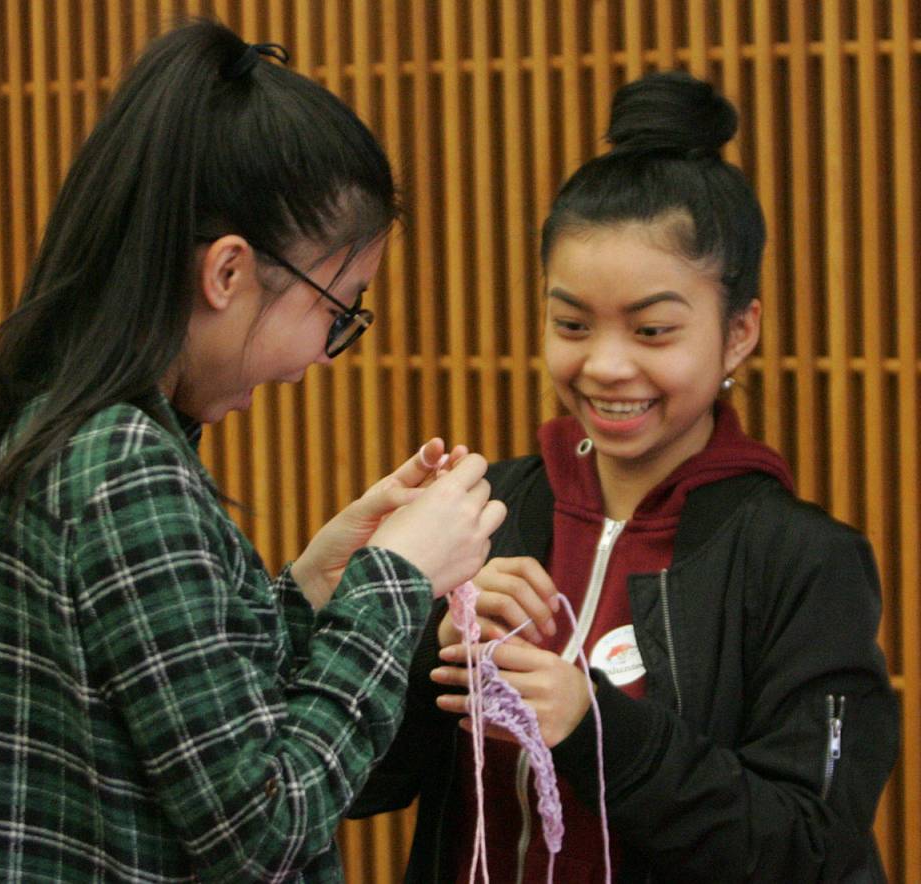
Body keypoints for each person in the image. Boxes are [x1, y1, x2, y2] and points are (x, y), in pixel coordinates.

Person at [0, 21, 506, 882]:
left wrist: (316, 582)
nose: (321, 356)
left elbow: (173, 718)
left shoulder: (68, 423)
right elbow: (261, 829)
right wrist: (396, 581)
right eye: (336, 312)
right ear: (228, 273)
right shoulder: (124, 466)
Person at [349, 71, 899, 882]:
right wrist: (429, 649)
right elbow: (358, 783)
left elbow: (809, 845)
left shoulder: (803, 562)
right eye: (571, 323)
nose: (606, 366)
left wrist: (592, 726)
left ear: (739, 332)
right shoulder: (482, 513)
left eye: (652, 329)